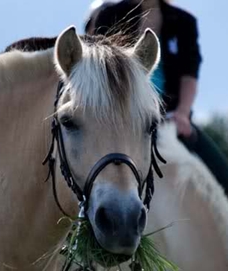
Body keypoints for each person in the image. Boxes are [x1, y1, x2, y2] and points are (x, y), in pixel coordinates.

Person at [84, 0, 228, 196]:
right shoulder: (110, 15)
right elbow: (95, 68)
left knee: (222, 176)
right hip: (119, 120)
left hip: (171, 119)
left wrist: (183, 114)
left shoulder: (184, 21)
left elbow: (189, 73)